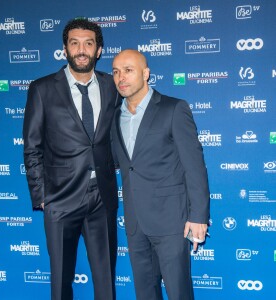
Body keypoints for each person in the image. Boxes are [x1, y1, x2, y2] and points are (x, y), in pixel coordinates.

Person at [23, 19, 120, 300]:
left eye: (88, 43)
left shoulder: (111, 86)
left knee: (106, 281)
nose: (81, 49)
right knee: (61, 282)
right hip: (60, 198)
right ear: (65, 48)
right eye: (74, 43)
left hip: (102, 196)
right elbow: (32, 146)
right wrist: (42, 195)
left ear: (98, 50)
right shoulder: (42, 89)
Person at [111, 49, 210, 300]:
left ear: (146, 74)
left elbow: (194, 166)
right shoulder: (114, 118)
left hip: (171, 222)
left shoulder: (173, 108)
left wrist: (198, 216)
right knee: (144, 293)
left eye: (129, 70)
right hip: (134, 223)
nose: (121, 77)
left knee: (179, 293)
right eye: (116, 72)